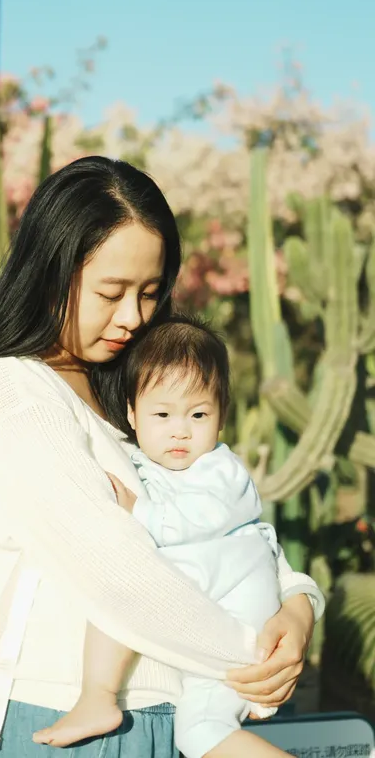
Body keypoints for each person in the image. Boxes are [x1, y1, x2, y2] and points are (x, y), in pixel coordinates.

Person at [0, 156, 324, 758]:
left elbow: (232, 531)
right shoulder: (14, 391)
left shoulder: (136, 398)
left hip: (168, 720)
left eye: (149, 293)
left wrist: (298, 610)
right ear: (50, 274)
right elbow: (117, 573)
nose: (133, 318)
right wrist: (254, 655)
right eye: (110, 292)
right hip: (64, 723)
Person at [33, 314, 300, 758]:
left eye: (198, 414)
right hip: (211, 596)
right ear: (133, 416)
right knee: (200, 731)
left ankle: (98, 695)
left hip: (235, 595)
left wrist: (142, 513)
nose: (180, 429)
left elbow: (200, 518)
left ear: (221, 418)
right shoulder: (141, 463)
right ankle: (99, 695)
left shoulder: (221, 469)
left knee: (127, 585)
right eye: (162, 414)